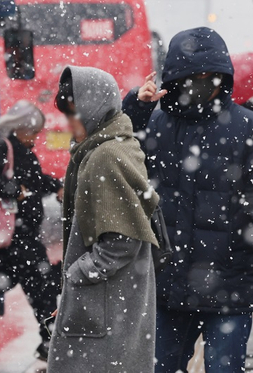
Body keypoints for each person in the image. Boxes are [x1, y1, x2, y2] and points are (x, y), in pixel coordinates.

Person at [122, 27, 253, 373]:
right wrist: (136, 110)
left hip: (230, 285)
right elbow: (119, 161)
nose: (201, 83)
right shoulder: (154, 124)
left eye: (208, 75)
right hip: (169, 285)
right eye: (193, 76)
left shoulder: (252, 130)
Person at [47, 66, 159, 373]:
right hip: (113, 307)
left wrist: (77, 275)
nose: (68, 123)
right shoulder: (112, 145)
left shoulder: (104, 156)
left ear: (93, 110)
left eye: (74, 113)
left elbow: (122, 242)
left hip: (106, 312)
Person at [0, 100, 63, 363]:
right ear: (22, 129)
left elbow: (34, 179)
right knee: (42, 288)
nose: (36, 139)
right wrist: (13, 190)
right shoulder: (4, 147)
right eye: (34, 133)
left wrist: (57, 186)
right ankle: (49, 340)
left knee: (12, 281)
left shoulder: (19, 150)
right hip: (17, 233)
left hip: (21, 234)